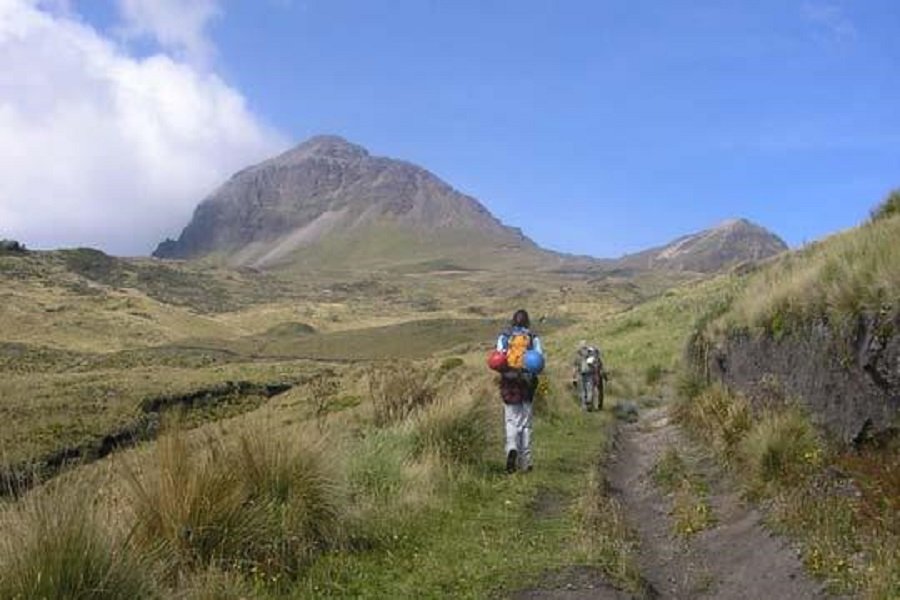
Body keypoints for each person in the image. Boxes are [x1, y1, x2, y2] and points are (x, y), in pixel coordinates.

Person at [496, 309, 544, 473]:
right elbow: (539, 360)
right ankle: (526, 462)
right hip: (527, 382)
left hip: (508, 381)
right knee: (526, 423)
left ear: (513, 321)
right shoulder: (532, 338)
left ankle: (511, 448)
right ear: (527, 322)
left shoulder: (505, 336)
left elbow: (498, 358)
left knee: (511, 419)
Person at [572, 341, 605, 411]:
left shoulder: (577, 356)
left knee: (583, 390)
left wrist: (574, 378)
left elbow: (575, 367)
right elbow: (596, 365)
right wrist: (597, 375)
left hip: (581, 374)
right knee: (590, 390)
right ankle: (589, 404)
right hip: (590, 374)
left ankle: (585, 406)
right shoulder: (590, 354)